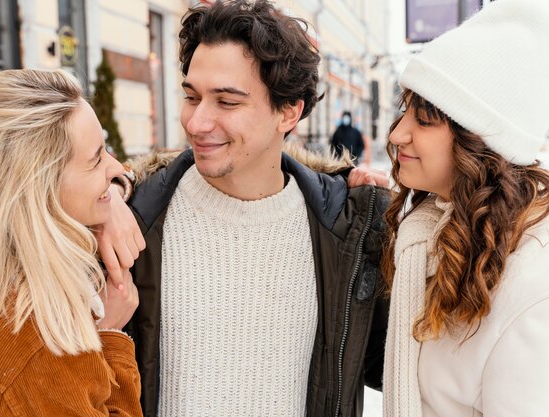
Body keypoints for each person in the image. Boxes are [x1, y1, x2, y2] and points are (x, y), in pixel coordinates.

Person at [121, 1, 390, 416]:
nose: (196, 123)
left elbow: (398, 365)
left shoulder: (347, 231)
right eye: (192, 97)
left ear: (289, 111)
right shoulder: (131, 221)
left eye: (226, 102)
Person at [0, 69, 142, 416]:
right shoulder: (44, 341)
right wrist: (111, 336)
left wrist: (112, 195)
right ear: (37, 190)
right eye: (96, 158)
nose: (115, 166)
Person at [382, 0, 549, 416]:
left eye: (424, 120)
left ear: (479, 143)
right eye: (406, 111)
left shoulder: (531, 287)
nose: (399, 133)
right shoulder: (433, 236)